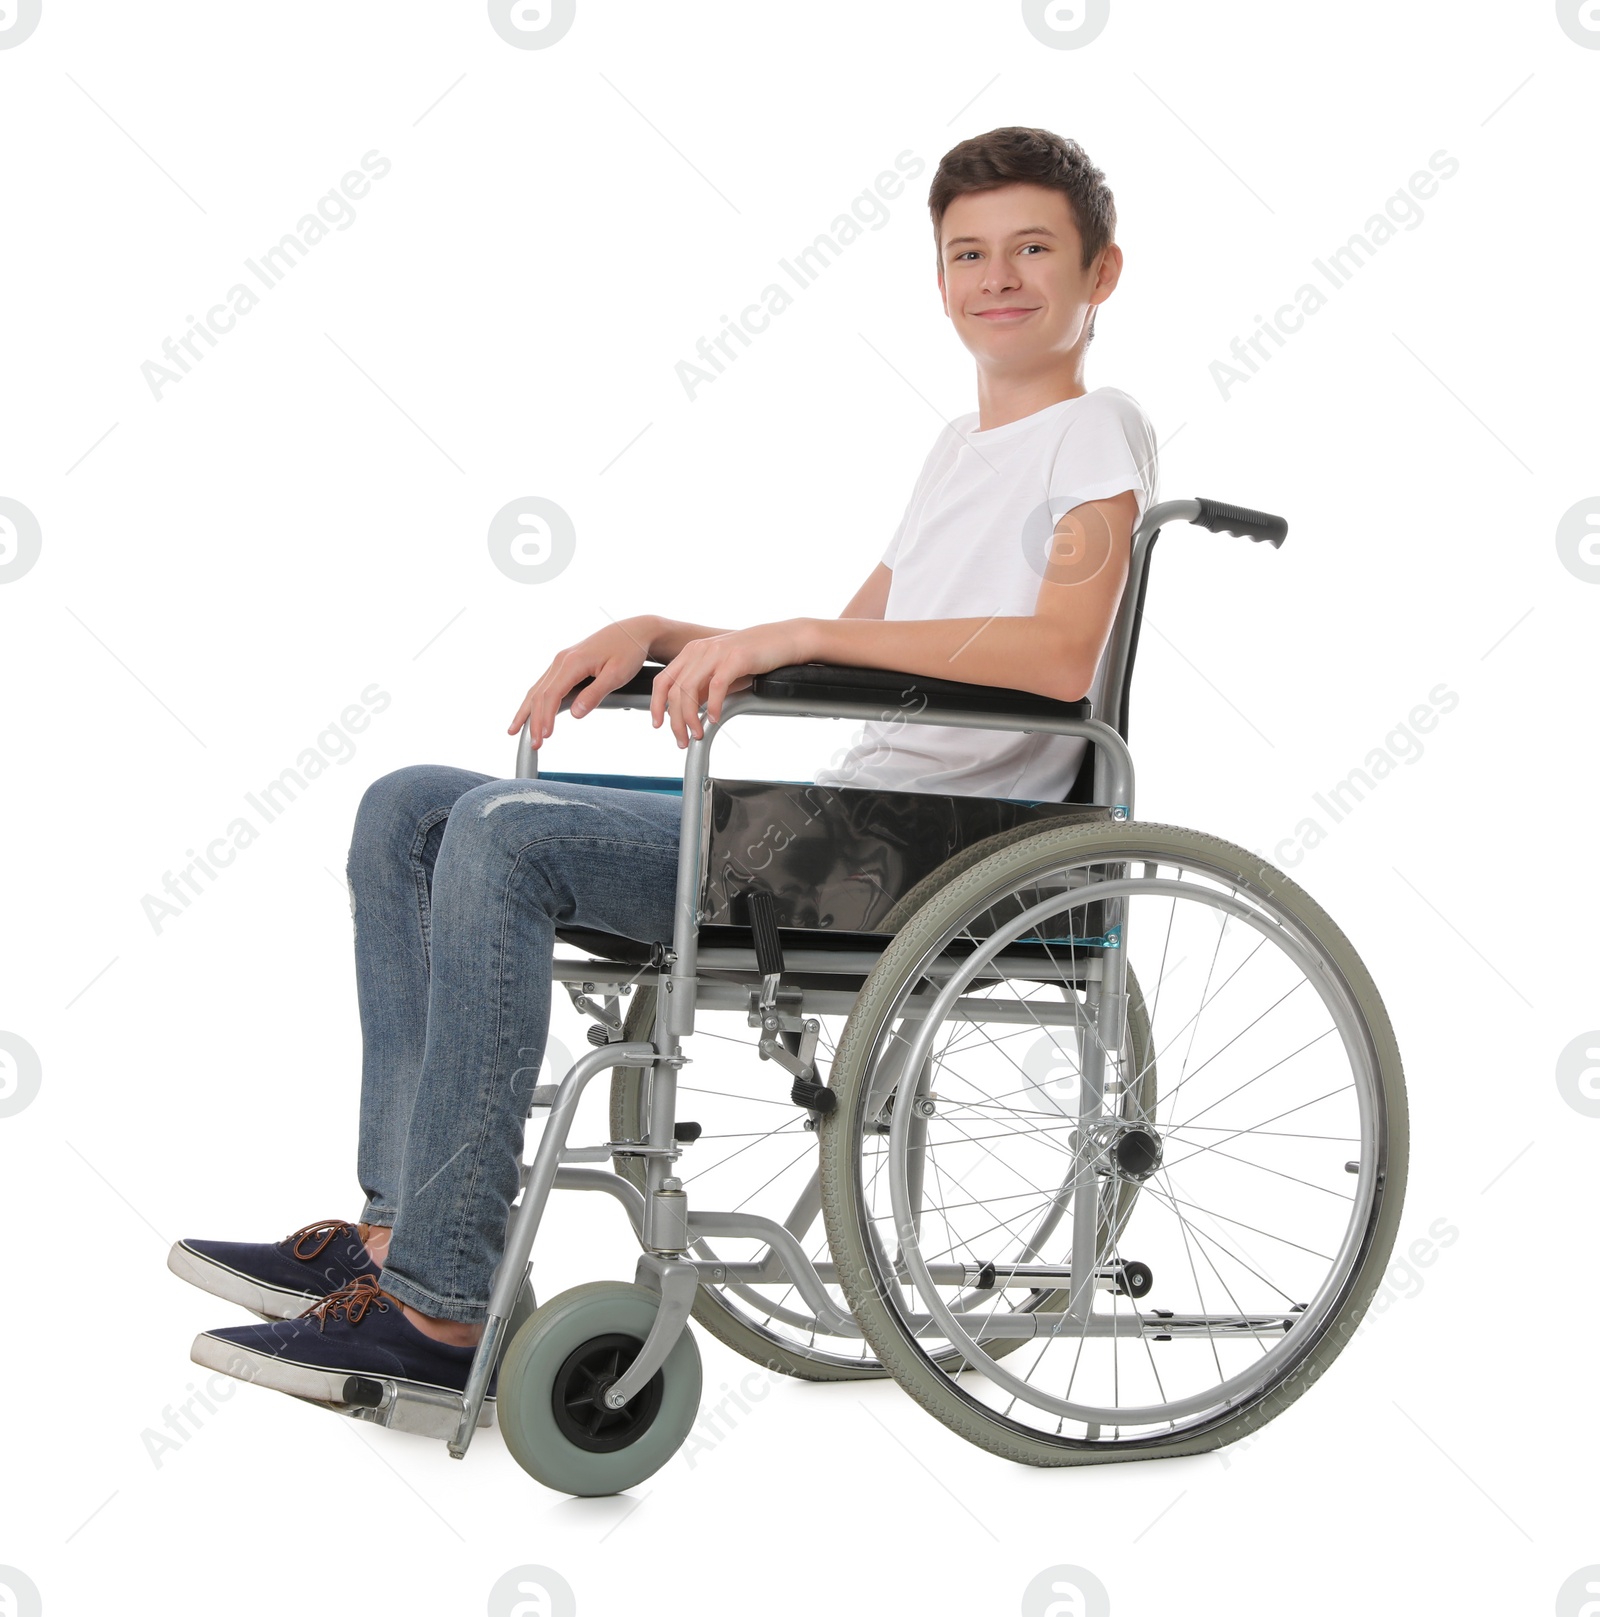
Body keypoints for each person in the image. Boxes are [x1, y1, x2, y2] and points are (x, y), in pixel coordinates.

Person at [174, 125, 1160, 1407]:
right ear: (938, 279)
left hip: (936, 847)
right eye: (966, 253)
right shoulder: (958, 452)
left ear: (1102, 274)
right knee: (412, 807)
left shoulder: (1099, 427)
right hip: (840, 816)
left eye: (1033, 249)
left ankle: (441, 1312)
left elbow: (1057, 654)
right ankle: (392, 1239)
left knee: (502, 838)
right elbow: (853, 648)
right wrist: (666, 632)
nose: (997, 277)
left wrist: (792, 635)